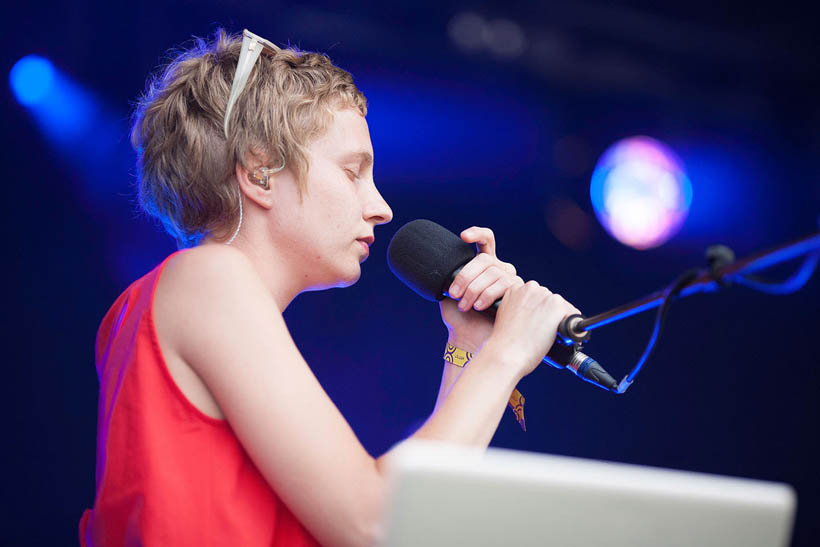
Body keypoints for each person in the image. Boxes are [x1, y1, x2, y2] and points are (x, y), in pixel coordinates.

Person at [79, 28, 581, 547]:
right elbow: (376, 524)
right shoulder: (208, 277)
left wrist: (470, 348)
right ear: (260, 174)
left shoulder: (176, 298)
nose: (381, 207)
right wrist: (507, 355)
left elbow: (403, 520)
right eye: (352, 172)